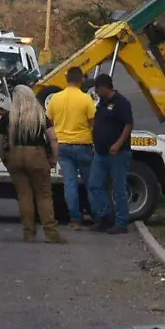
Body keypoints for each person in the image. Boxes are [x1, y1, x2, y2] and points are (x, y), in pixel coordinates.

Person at [0, 85, 66, 243]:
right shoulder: (39, 116)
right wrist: (54, 158)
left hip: (15, 155)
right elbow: (53, 139)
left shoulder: (8, 117)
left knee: (24, 196)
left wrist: (5, 158)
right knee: (43, 195)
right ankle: (51, 233)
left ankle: (28, 233)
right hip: (36, 154)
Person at [45, 66, 96, 229]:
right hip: (83, 145)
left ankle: (74, 220)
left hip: (62, 146)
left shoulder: (55, 99)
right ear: (81, 80)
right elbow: (93, 122)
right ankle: (97, 216)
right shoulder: (86, 99)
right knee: (91, 183)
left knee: (70, 183)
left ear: (66, 80)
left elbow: (48, 121)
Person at [87, 73, 133, 234]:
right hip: (100, 153)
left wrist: (118, 144)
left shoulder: (121, 103)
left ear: (104, 87)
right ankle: (104, 216)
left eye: (97, 89)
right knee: (94, 184)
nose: (96, 93)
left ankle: (121, 223)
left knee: (119, 188)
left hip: (117, 153)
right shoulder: (102, 103)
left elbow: (128, 124)